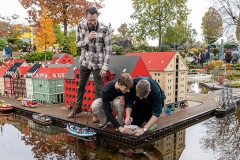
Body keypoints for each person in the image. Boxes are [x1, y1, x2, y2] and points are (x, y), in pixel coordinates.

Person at [67, 6, 112, 118]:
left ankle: (96, 113)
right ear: (86, 18)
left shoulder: (105, 29)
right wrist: (87, 39)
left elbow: (108, 50)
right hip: (85, 61)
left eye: (94, 20)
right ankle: (77, 108)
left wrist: (104, 67)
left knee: (98, 88)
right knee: (81, 85)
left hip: (98, 63)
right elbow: (77, 43)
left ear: (97, 17)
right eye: (90, 20)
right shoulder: (80, 26)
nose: (92, 22)